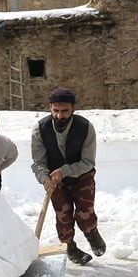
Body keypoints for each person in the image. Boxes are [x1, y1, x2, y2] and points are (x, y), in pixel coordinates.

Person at [30, 87, 105, 265]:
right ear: (50, 108)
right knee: (63, 217)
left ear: (73, 109)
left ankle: (91, 232)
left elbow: (88, 162)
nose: (59, 116)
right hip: (56, 182)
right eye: (55, 110)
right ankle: (70, 249)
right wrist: (44, 178)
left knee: (84, 215)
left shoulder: (86, 128)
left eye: (64, 111)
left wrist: (64, 171)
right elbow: (38, 163)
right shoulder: (39, 129)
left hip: (82, 176)